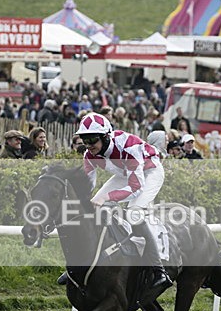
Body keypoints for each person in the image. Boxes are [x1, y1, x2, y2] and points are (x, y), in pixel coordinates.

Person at [66, 112, 172, 292]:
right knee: (93, 205)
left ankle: (158, 270)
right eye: (85, 140)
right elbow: (87, 187)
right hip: (126, 173)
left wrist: (107, 197)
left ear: (106, 136)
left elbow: (136, 187)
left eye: (92, 140)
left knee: (133, 212)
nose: (88, 145)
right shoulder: (89, 155)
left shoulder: (128, 147)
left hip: (150, 171)